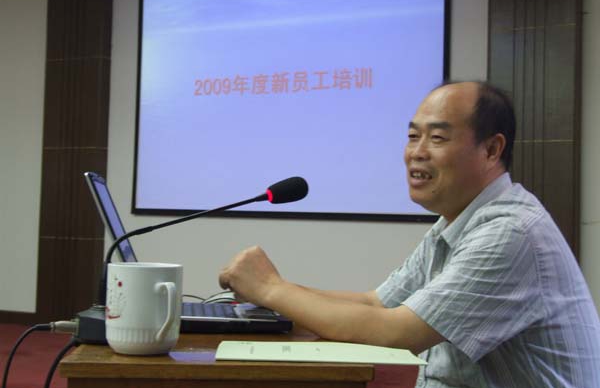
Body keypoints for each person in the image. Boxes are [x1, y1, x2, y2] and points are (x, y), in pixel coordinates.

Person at [219, 81, 600, 387]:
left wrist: (271, 289)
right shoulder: (455, 223)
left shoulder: (510, 232)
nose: (416, 152)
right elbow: (377, 304)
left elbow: (398, 331)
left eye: (437, 138)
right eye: (413, 136)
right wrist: (269, 296)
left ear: (491, 149)